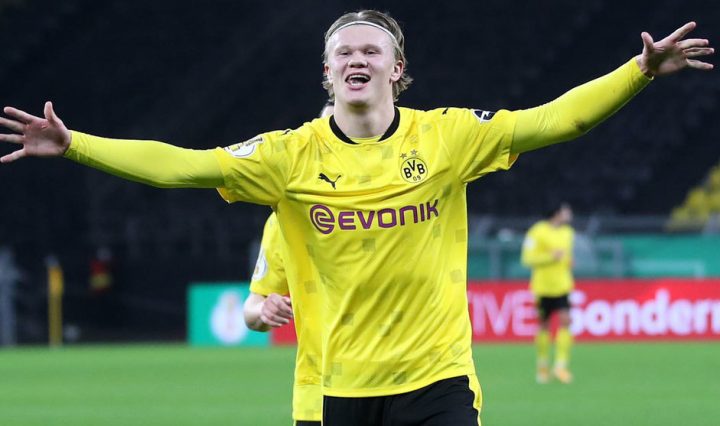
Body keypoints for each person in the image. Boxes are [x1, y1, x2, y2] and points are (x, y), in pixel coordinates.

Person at [0, 10, 713, 425]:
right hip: (337, 391)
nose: (356, 59)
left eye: (372, 50)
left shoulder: (448, 137)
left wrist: (639, 72)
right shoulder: (287, 157)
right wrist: (75, 144)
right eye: (343, 52)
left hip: (438, 382)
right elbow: (180, 166)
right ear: (327, 74)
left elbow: (555, 121)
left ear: (398, 70)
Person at [242, 102, 333, 426]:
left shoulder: (400, 203)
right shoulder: (285, 219)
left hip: (406, 389)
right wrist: (263, 311)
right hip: (319, 395)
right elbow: (252, 310)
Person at [521, 203, 575, 384]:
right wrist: (551, 257)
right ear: (557, 213)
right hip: (543, 288)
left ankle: (561, 366)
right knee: (543, 325)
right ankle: (543, 365)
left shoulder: (568, 233)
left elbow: (566, 256)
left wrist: (568, 261)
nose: (570, 214)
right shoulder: (537, 231)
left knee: (566, 321)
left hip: (562, 286)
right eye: (566, 211)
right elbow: (527, 258)